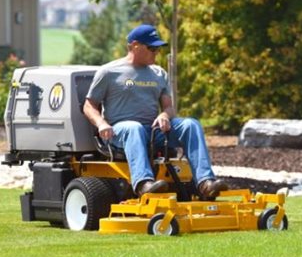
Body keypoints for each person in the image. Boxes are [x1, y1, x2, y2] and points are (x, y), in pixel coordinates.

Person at [83, 24, 228, 198]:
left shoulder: (159, 73)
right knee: (133, 127)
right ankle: (143, 183)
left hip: (153, 131)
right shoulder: (109, 72)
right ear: (135, 45)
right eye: (152, 48)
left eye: (158, 49)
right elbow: (89, 105)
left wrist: (164, 115)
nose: (156, 52)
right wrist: (101, 124)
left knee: (191, 124)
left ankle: (205, 183)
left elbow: (168, 106)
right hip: (119, 133)